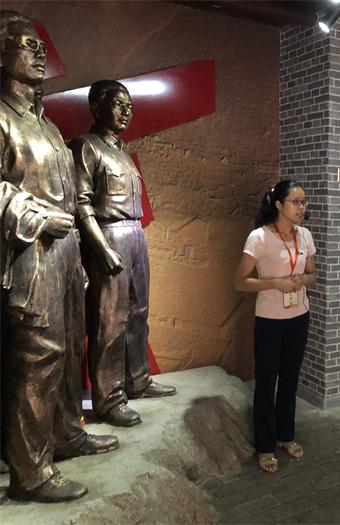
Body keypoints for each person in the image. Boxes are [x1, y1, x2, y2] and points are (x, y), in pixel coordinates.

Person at [0, 11, 118, 503]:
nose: (39, 53)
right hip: (31, 253)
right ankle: (30, 472)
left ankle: (67, 433)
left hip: (66, 254)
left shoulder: (46, 125)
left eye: (41, 46)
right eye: (27, 44)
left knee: (70, 347)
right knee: (38, 356)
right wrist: (36, 216)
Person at [69, 80, 175, 428]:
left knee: (138, 311)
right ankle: (109, 398)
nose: (127, 111)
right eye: (119, 104)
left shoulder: (123, 154)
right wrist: (101, 248)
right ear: (97, 107)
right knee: (110, 320)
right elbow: (80, 204)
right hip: (109, 233)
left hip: (135, 234)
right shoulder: (86, 147)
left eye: (130, 105)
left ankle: (137, 380)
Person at [234, 180, 316, 473]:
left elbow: (312, 273)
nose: (301, 207)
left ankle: (286, 435)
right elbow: (240, 281)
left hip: (299, 316)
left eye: (303, 202)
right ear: (279, 204)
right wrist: (275, 284)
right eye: (295, 202)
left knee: (291, 380)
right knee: (267, 383)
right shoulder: (259, 237)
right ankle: (265, 445)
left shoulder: (305, 235)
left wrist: (302, 280)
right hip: (269, 319)